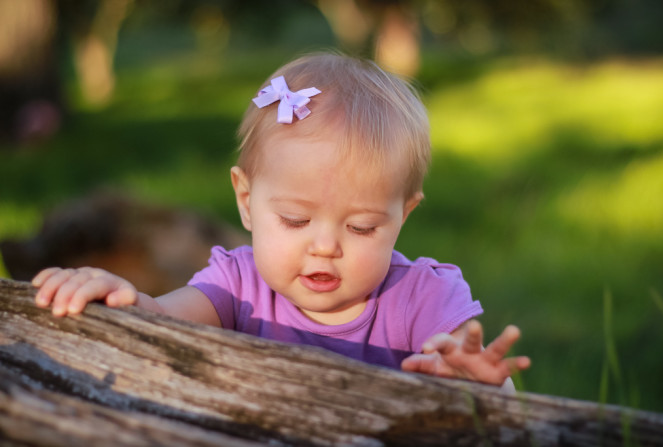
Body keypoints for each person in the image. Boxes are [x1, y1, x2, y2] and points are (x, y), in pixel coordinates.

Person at [32, 52, 530, 388]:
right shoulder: (236, 286)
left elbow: (497, 419)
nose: (325, 247)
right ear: (246, 202)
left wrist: (482, 385)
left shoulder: (426, 300)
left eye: (361, 228)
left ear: (405, 215)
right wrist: (119, 297)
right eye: (295, 220)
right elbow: (158, 322)